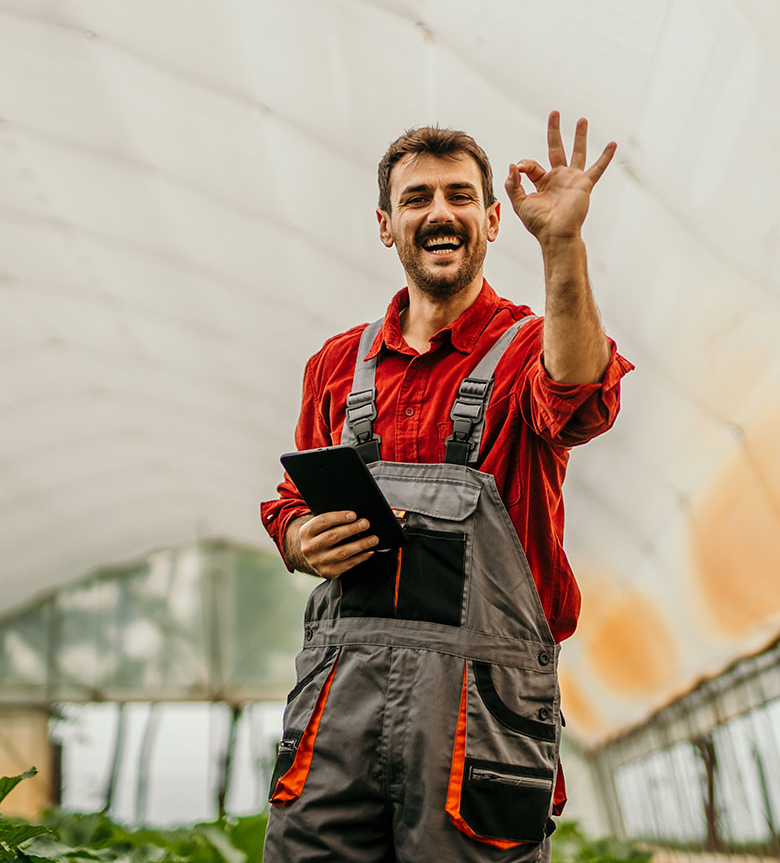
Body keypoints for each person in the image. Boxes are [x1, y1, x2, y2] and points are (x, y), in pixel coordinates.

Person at [259, 113, 633, 863]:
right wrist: (300, 537)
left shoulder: (528, 346)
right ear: (385, 225)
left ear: (492, 220)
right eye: (417, 198)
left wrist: (562, 245)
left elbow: (580, 395)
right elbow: (290, 501)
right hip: (340, 705)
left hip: (478, 716)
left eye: (460, 196)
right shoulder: (337, 366)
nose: (440, 212)